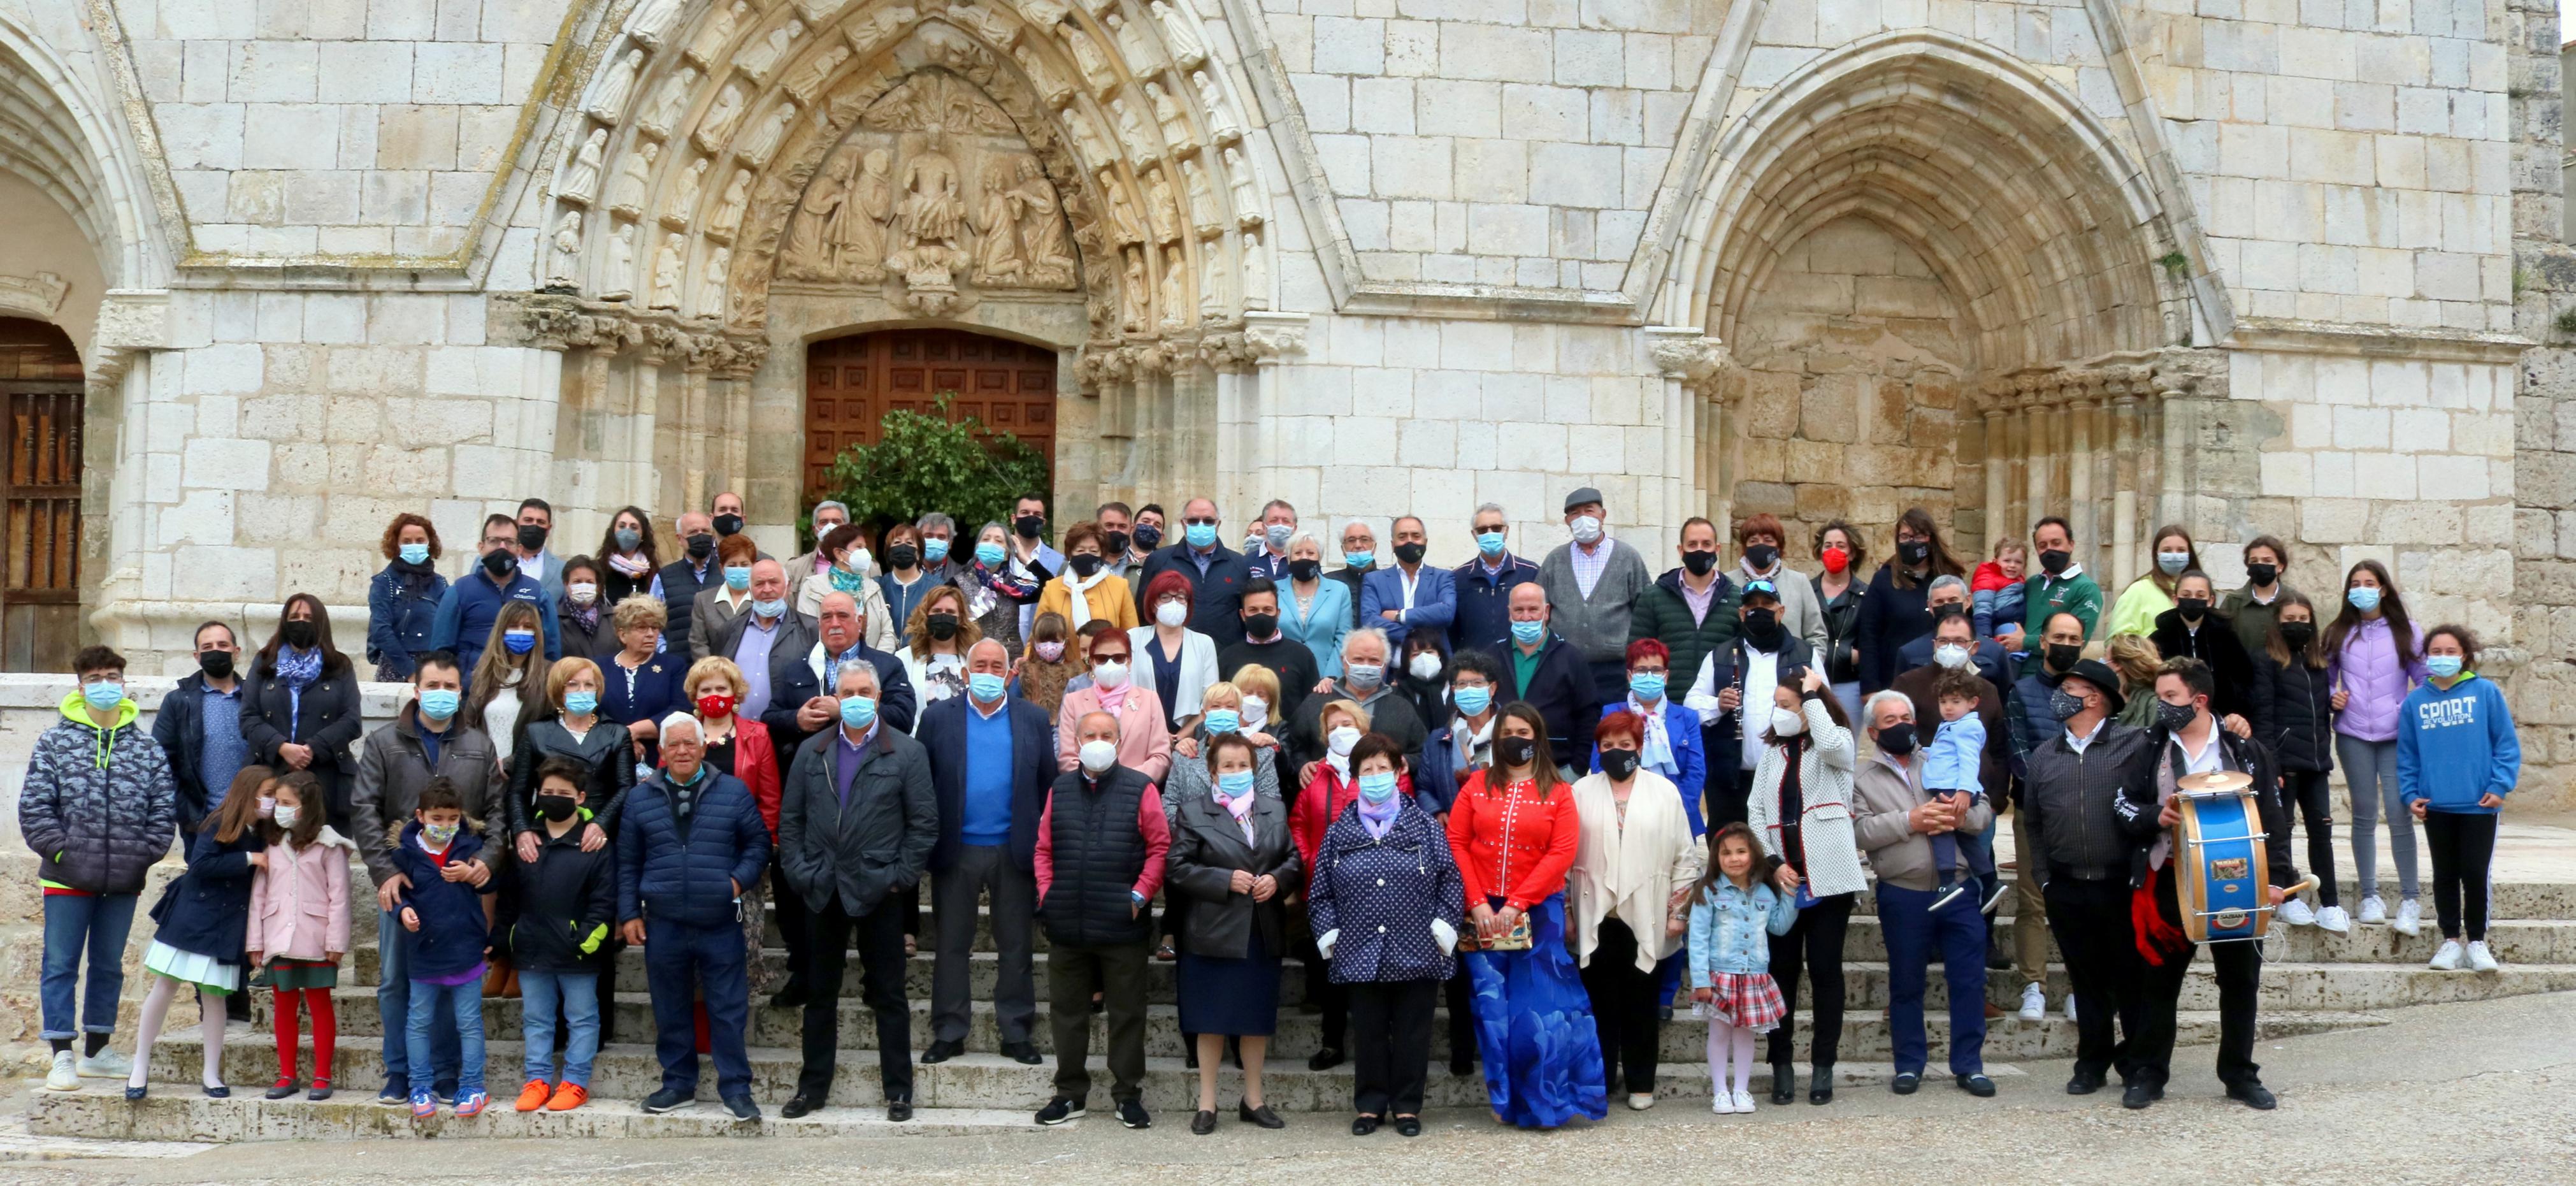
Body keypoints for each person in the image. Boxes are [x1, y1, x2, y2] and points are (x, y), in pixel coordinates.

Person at [2115, 657, 2299, 1110]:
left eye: (2170, 697)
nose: (2161, 705)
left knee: (2240, 981)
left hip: (2237, 879)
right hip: (2169, 878)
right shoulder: (2148, 746)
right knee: (2157, 981)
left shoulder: (2242, 748)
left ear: (2198, 699)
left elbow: (2274, 822)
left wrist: (2275, 880)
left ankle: (2239, 1074)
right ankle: (2147, 1073)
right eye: (2159, 697)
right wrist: (2152, 816)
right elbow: (2120, 803)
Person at [773, 661, 935, 1120]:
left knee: (889, 993)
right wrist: (802, 872)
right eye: (848, 691)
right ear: (835, 696)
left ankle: (898, 1090)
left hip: (880, 888)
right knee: (820, 993)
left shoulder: (906, 751)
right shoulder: (811, 750)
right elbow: (792, 820)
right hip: (823, 887)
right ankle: (812, 1088)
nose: (857, 697)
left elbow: (923, 824)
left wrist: (899, 877)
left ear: (879, 697)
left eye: (865, 690)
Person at [351, 651, 501, 1104]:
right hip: (406, 883)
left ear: (461, 691)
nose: (441, 694)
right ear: (416, 690)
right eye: (432, 686)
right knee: (398, 980)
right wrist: (385, 872)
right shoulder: (383, 742)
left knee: (454, 979)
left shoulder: (479, 744)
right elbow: (363, 809)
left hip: (458, 886)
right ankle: (400, 1071)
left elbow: (497, 811)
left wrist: (487, 861)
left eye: (449, 687)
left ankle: (447, 1073)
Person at [1446, 702, 1603, 1128]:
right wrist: (1477, 902)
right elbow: (1456, 841)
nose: (1515, 737)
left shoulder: (1558, 791)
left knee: (1541, 1013)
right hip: (1480, 911)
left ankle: (1546, 1101)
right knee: (1493, 1012)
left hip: (1538, 912)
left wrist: (1517, 902)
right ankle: (1505, 1100)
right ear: (1496, 739)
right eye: (1507, 731)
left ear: (1538, 736)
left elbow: (1561, 852)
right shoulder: (1475, 785)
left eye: (1523, 730)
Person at [1307, 732, 1464, 1138]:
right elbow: (1320, 892)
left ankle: (1408, 1107)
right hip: (1359, 949)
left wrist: (1442, 928)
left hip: (1418, 948)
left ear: (1397, 772)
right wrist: (1331, 936)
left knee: (1414, 1032)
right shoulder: (1339, 833)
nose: (1376, 776)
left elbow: (1450, 881)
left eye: (1383, 768)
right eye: (1367, 770)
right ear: (1356, 778)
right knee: (1370, 1033)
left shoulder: (1425, 827)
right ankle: (1371, 1105)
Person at [620, 712, 770, 1122]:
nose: (683, 751)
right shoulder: (640, 797)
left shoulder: (734, 792)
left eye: (691, 743)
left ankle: (737, 1089)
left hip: (720, 920)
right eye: (674, 745)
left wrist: (736, 884)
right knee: (670, 1008)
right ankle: (677, 1084)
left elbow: (757, 845)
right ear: (662, 752)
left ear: (704, 748)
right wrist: (630, 912)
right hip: (664, 922)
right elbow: (628, 861)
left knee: (728, 1009)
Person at [1849, 689, 1997, 1099]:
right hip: (1904, 893)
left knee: (1968, 981)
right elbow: (1860, 832)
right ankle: (1909, 1065)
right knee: (1906, 983)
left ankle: (1970, 1065)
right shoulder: (1859, 777)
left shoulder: (1942, 757)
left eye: (1906, 717)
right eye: (1891, 721)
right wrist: (1910, 820)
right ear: (1875, 733)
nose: (1902, 726)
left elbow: (1985, 811)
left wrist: (1959, 815)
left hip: (1961, 889)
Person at [915, 639, 1054, 1068]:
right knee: (951, 945)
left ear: (1009, 673)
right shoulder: (938, 718)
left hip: (1014, 848)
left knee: (1015, 946)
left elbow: (1047, 783)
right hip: (956, 850)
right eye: (981, 665)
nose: (989, 672)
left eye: (997, 665)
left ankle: (1015, 1031)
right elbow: (923, 782)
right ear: (965, 672)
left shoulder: (1032, 718)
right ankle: (949, 1029)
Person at [2021, 658, 2155, 1099]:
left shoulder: (2134, 744)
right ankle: (2090, 1063)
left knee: (2131, 981)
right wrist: (2043, 876)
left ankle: (2137, 1063)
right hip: (2065, 885)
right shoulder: (2044, 755)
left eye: (2069, 688)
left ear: (2094, 697)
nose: (2058, 696)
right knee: (2086, 981)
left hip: (2120, 884)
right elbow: (2033, 824)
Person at [1033, 711, 1173, 1130]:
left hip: (1120, 923)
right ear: (1075, 741)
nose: (1098, 740)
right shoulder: (1059, 788)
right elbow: (1043, 849)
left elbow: (1159, 847)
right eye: (1090, 734)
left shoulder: (1140, 787)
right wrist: (1048, 893)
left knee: (1127, 1012)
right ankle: (1069, 1093)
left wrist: (1138, 895)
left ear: (1118, 739)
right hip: (1067, 923)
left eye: (1106, 734)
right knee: (1067, 1011)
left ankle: (1127, 1094)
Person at [1167, 730, 1300, 1132]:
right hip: (1212, 931)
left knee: (1255, 1020)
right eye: (1228, 765)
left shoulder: (1274, 809)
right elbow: (1177, 867)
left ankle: (1253, 1100)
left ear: (1254, 769)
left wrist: (1278, 879)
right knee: (1209, 1020)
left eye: (1243, 765)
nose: (1237, 771)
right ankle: (1207, 1104)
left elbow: (1294, 858)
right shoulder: (1193, 811)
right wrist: (1224, 880)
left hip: (1261, 929)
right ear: (1213, 771)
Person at [1569, 711, 1704, 1111]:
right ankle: (1601, 1081)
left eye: (1624, 745)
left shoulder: (1664, 792)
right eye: (1607, 745)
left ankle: (1642, 1082)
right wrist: (1569, 915)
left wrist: (1679, 912)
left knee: (1642, 1005)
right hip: (1596, 913)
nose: (1616, 752)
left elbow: (1684, 857)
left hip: (1649, 912)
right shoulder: (1579, 791)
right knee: (1600, 1005)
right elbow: (1563, 856)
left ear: (1640, 747)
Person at [1741, 665, 1864, 1101]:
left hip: (1829, 879)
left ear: (1810, 708)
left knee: (1826, 970)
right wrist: (1771, 862)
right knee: (1782, 973)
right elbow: (1755, 809)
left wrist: (1813, 697)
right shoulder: (1773, 754)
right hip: (1783, 881)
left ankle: (1823, 1065)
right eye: (1776, 706)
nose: (1779, 712)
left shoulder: (1835, 743)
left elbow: (1835, 747)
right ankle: (1781, 1064)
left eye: (1787, 705)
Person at [119, 765, 269, 1101]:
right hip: (193, 915)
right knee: (166, 986)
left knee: (215, 996)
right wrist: (249, 858)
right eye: (268, 795)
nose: (272, 802)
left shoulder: (263, 830)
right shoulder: (219, 821)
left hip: (229, 923)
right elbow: (200, 864)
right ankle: (139, 1066)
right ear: (249, 793)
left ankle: (211, 1073)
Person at [2399, 625, 2521, 973]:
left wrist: (2500, 786)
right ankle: (2450, 940)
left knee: (2475, 871)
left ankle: (2478, 941)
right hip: (2437, 805)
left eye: (2451, 651)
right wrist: (2410, 794)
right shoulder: (2415, 702)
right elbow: (2407, 756)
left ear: (2464, 655)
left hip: (2479, 804)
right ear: (2426, 657)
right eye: (2436, 651)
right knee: (2445, 874)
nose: (2443, 658)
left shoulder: (2485, 692)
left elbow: (2506, 744)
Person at [504, 756, 615, 1113]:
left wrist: (584, 939)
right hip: (532, 949)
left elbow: (604, 900)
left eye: (562, 793)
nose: (553, 797)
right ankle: (536, 1080)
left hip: (577, 953)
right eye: (547, 792)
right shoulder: (526, 841)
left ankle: (575, 1082)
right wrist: (507, 937)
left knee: (582, 1018)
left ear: (580, 797)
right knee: (536, 1018)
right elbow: (509, 896)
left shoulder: (594, 842)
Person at [1999, 609, 2092, 1022]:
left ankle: (2078, 986)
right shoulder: (2020, 691)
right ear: (2043, 641)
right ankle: (2033, 985)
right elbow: (2018, 750)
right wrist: (2049, 789)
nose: (2066, 644)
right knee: (2032, 900)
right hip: (2033, 810)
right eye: (2059, 636)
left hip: (2085, 812)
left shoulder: (2092, 695)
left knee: (2078, 900)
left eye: (2074, 638)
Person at [2326, 558, 2428, 935]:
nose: (2362, 588)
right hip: (2353, 733)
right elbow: (2325, 677)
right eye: (2355, 583)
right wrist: (2332, 701)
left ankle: (2410, 899)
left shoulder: (2408, 631)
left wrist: (2406, 709)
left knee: (2401, 815)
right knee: (2364, 814)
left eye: (2369, 582)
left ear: (2383, 588)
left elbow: (2426, 678)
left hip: (2397, 736)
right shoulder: (2339, 631)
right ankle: (2370, 895)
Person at [389, 777, 499, 1118]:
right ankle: (421, 1086)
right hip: (424, 953)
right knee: (418, 1022)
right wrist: (401, 912)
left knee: (468, 1023)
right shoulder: (405, 853)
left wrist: (473, 874)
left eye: (452, 819)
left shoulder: (471, 847)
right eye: (437, 819)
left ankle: (473, 1085)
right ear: (421, 816)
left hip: (465, 950)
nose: (445, 826)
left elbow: (493, 883)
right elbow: (397, 895)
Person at [247, 770, 356, 1101]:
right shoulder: (273, 845)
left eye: (286, 803)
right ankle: (287, 1075)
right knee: (283, 1005)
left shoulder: (330, 846)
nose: (278, 808)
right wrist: (256, 941)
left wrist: (336, 942)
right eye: (277, 802)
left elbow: (340, 896)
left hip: (317, 939)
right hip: (278, 936)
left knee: (320, 1003)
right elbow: (260, 895)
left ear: (306, 807)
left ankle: (323, 1076)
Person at [1287, 698, 1382, 1073]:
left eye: (1348, 723)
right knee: (1328, 968)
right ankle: (1332, 1042)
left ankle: (1374, 1040)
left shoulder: (1382, 770)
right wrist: (1310, 859)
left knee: (1370, 968)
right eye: (1333, 726)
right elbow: (1298, 821)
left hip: (1371, 887)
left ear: (1362, 727)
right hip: (1323, 887)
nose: (1341, 731)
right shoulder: (1316, 774)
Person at [2245, 591, 2348, 931]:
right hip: (2284, 763)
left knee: (2322, 831)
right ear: (2278, 623)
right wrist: (2270, 766)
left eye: (2303, 620)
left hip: (2317, 763)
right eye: (2290, 620)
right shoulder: (2266, 661)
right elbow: (2265, 717)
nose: (2297, 625)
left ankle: (2330, 903)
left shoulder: (2318, 665)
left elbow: (2317, 712)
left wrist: (2335, 705)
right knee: (2282, 832)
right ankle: (2288, 898)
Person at [1685, 822, 1795, 1115]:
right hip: (1719, 975)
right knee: (1719, 1034)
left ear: (1753, 855)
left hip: (1753, 976)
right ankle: (1720, 1091)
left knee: (1746, 1034)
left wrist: (1791, 896)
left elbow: (1779, 927)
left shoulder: (1765, 893)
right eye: (1726, 853)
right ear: (1716, 858)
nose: (1734, 859)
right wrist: (1700, 979)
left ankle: (1742, 1090)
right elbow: (1697, 938)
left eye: (1741, 852)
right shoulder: (1708, 892)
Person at [1690, 579, 1815, 826]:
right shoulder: (1719, 655)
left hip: (1789, 774)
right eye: (1752, 607)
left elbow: (1824, 708)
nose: (1759, 611)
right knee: (1731, 847)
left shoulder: (1806, 655)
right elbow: (1691, 704)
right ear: (1742, 614)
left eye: (1767, 606)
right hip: (1731, 778)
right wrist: (1718, 704)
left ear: (1781, 611)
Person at [242, 595, 364, 828]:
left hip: (326, 776)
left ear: (320, 622)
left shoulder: (340, 665)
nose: (301, 622)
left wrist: (312, 748)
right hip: (272, 772)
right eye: (295, 617)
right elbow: (248, 717)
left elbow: (351, 720)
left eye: (308, 617)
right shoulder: (265, 662)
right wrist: (281, 746)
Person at [765, 589, 916, 765]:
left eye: (842, 616)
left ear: (859, 621)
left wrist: (845, 710)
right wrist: (797, 720)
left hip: (874, 768)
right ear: (819, 624)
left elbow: (904, 720)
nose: (835, 623)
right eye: (827, 617)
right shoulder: (797, 668)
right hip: (813, 770)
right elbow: (769, 719)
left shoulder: (888, 666)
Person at [1538, 486, 1653, 698]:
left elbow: (1645, 610)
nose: (1583, 518)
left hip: (1615, 670)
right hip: (1564, 666)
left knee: (1613, 727)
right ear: (1567, 521)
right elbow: (1539, 611)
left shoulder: (1628, 557)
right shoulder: (1555, 560)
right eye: (1575, 513)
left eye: (1589, 510)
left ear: (1603, 515)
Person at [1627, 517, 1739, 732]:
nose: (1700, 550)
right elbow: (1635, 654)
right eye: (1692, 545)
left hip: (1719, 712)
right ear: (1681, 550)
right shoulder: (1654, 597)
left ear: (1718, 549)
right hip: (1665, 712)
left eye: (1706, 544)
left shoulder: (1736, 598)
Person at [1481, 582, 1600, 775]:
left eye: (1533, 610)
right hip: (1502, 770)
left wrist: (1577, 768)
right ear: (1509, 613)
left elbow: (1589, 715)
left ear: (1546, 612)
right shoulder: (1492, 656)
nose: (1526, 617)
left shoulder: (1571, 657)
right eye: (1519, 610)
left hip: (1557, 769)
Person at [1597, 639, 1708, 834]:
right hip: (1621, 816)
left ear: (1666, 676)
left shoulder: (1687, 718)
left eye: (1656, 670)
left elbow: (1696, 772)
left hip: (1676, 815)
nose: (1649, 676)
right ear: (1630, 676)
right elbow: (1599, 765)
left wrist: (1677, 811)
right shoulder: (1611, 713)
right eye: (1641, 670)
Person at [431, 517, 561, 681]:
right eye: (494, 541)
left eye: (509, 542)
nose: (502, 548)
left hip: (523, 693)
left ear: (519, 549)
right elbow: (441, 651)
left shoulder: (538, 594)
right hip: (472, 693)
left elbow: (551, 653)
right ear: (481, 547)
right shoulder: (459, 592)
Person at [1853, 507, 1966, 693]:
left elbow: (1967, 625)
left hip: (1946, 680)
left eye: (1918, 536)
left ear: (1931, 538)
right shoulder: (1884, 580)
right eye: (1905, 537)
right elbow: (1868, 636)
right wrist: (1870, 688)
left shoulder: (1950, 578)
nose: (1911, 542)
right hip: (1896, 680)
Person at [1292, 627, 1428, 774]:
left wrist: (1407, 761)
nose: (1366, 665)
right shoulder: (1317, 701)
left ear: (1384, 667)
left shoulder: (1401, 707)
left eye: (1374, 660)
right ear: (1343, 662)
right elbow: (1293, 744)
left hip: (1383, 792)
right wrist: (1303, 765)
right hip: (1328, 792)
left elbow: (1424, 751)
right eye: (1358, 659)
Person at [155, 621, 250, 831]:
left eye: (223, 645)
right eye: (207, 647)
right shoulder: (178, 701)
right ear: (197, 656)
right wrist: (184, 808)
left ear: (236, 652)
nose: (216, 650)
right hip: (201, 821)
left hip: (250, 820)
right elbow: (161, 760)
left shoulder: (255, 699)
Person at [1918, 667, 1994, 913]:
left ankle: (1947, 883)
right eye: (1943, 701)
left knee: (1939, 829)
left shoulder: (1966, 727)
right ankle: (1990, 880)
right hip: (1950, 783)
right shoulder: (1953, 724)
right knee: (1965, 837)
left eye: (1956, 701)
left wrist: (1963, 791)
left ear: (1973, 703)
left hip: (1953, 787)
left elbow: (1970, 760)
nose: (1948, 707)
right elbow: (1945, 753)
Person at [1056, 625, 1172, 783]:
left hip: (1136, 794)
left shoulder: (1150, 700)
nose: (1110, 664)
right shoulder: (1073, 701)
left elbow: (1160, 756)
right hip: (1087, 794)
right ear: (1092, 662)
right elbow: (1067, 758)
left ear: (1129, 661)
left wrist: (1126, 783)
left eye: (1118, 658)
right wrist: (1094, 783)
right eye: (1102, 659)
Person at [2147, 570, 2257, 728]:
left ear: (2211, 600)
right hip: (2171, 721)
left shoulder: (2226, 637)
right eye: (2186, 594)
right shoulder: (2159, 639)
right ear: (2176, 599)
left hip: (2220, 721)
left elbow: (2245, 678)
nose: (2193, 600)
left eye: (2200, 595)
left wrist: (2237, 712)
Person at [1139, 497, 1253, 648]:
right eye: (1193, 521)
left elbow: (1247, 613)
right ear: (1183, 524)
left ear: (1218, 524)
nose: (1201, 525)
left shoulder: (1239, 564)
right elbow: (1143, 609)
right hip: (1171, 654)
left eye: (1208, 521)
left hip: (1226, 656)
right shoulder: (1159, 561)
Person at [1218, 577, 1320, 727]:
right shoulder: (1228, 658)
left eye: (1267, 610)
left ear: (1278, 613)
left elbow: (1311, 709)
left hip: (1288, 745)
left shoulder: (1301, 655)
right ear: (1243, 615)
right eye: (1253, 610)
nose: (1261, 615)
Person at [1133, 570, 1222, 734]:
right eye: (1165, 598)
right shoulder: (1133, 638)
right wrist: (1158, 737)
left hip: (1190, 741)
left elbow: (1211, 701)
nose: (1173, 603)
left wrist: (1179, 738)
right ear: (1153, 605)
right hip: (1141, 736)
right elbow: (1127, 696)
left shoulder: (1204, 643)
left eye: (1181, 598)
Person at [368, 512, 450, 681]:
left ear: (429, 543)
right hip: (396, 667)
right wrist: (410, 671)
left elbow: (448, 627)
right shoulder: (384, 582)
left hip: (434, 667)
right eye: (406, 541)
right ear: (396, 545)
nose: (414, 545)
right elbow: (381, 631)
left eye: (420, 541)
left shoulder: (440, 583)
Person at [600, 596, 686, 756]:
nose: (650, 634)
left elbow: (680, 710)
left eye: (655, 628)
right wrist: (623, 738)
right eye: (641, 628)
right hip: (608, 753)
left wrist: (635, 731)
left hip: (659, 754)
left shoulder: (673, 666)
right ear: (622, 634)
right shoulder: (600, 667)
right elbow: (593, 713)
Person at [464, 600, 547, 765]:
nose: (521, 632)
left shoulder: (549, 675)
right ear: (501, 631)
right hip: (486, 771)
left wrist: (510, 764)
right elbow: (469, 726)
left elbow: (550, 733)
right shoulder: (484, 675)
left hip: (527, 773)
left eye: (528, 627)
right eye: (514, 626)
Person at [1359, 515, 1457, 654]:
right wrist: (1414, 637)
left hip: (1436, 668)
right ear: (1393, 545)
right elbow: (1370, 621)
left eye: (1416, 536)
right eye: (1402, 536)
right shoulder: (1375, 580)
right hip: (1391, 670)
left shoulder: (1442, 577)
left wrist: (1400, 616)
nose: (1409, 541)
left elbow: (1446, 613)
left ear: (1425, 542)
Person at [1452, 502, 1540, 656]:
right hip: (1475, 667)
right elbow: (1453, 630)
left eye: (1496, 528)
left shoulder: (1530, 572)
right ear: (1474, 535)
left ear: (1506, 531)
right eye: (1483, 530)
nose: (1490, 533)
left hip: (1518, 661)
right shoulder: (1459, 577)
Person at [1032, 520, 1140, 645]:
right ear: (1070, 554)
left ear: (1102, 554)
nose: (1087, 555)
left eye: (1094, 551)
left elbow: (1132, 635)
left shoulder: (1120, 586)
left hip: (1107, 662)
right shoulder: (1053, 588)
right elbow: (1037, 635)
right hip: (1065, 664)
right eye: (1080, 550)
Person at [796, 522, 897, 651]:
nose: (865, 553)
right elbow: (808, 633)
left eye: (865, 547)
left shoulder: (872, 587)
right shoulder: (813, 587)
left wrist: (877, 662)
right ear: (839, 553)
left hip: (871, 667)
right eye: (859, 547)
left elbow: (887, 632)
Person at [2009, 516, 2104, 651]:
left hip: (2052, 672)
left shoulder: (2086, 589)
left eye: (2056, 543)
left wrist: (2026, 642)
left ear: (2071, 545)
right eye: (2043, 546)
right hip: (2015, 668)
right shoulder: (2032, 584)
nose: (2049, 550)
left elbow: (2074, 643)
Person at [1734, 514, 1825, 653]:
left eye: (1768, 540)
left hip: (1791, 670)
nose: (1761, 545)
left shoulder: (1799, 582)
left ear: (1779, 546)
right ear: (1745, 546)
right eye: (1753, 541)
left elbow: (1816, 635)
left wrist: (1807, 667)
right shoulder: (1730, 582)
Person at [1892, 579, 2009, 683]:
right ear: (1930, 606)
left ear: (1968, 601)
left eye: (1953, 600)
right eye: (1939, 602)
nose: (1947, 606)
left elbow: (2003, 701)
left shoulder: (1995, 652)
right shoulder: (1910, 653)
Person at [954, 521, 1039, 656]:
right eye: (986, 539)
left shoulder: (1014, 586)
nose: (991, 543)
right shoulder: (958, 582)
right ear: (978, 548)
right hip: (972, 660)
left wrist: (1027, 560)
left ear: (1007, 553)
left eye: (999, 541)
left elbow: (1050, 586)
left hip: (1010, 664)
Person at [2106, 524, 2203, 640]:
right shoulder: (2138, 590)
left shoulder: (2200, 591)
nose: (2174, 556)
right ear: (2157, 554)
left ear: (2189, 554)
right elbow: (2118, 638)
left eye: (2181, 550)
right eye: (2167, 550)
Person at [1279, 532, 1352, 679]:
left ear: (1319, 557)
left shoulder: (1339, 591)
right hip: (1283, 674)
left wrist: (1331, 677)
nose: (1304, 557)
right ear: (1288, 559)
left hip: (1325, 676)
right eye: (1298, 553)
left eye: (1311, 553)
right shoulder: (1274, 590)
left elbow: (1344, 638)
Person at [1813, 520, 1866, 721]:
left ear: (1852, 553)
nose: (1833, 551)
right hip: (1813, 681)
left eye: (1841, 546)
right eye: (1828, 546)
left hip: (1849, 684)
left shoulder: (1865, 595)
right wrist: (1845, 654)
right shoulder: (1807, 591)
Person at [2220, 534, 2299, 658]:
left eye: (2267, 561)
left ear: (2280, 566)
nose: (2260, 565)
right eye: (2254, 561)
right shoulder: (2234, 601)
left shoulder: (2294, 600)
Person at [687, 535, 759, 662]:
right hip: (715, 674)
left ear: (753, 566)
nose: (738, 569)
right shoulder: (704, 600)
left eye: (744, 565)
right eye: (732, 565)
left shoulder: (761, 599)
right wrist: (714, 669)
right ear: (722, 569)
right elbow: (698, 643)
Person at [660, 510, 721, 646]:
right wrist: (665, 653)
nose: (700, 536)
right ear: (679, 539)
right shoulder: (665, 577)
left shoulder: (726, 574)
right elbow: (652, 621)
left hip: (720, 663)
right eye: (693, 532)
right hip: (678, 662)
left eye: (705, 531)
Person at [877, 522, 942, 642]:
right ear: (889, 553)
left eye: (909, 543)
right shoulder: (877, 586)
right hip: (884, 657)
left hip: (920, 656)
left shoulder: (937, 587)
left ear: (918, 553)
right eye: (897, 542)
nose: (903, 547)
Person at [594, 505, 665, 605]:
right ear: (613, 531)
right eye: (622, 526)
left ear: (643, 535)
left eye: (634, 527)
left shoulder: (653, 572)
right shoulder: (599, 569)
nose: (627, 532)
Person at [1016, 611, 1083, 717]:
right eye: (1043, 641)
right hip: (1034, 728)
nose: (1048, 646)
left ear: (1064, 642)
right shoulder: (1025, 671)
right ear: (1034, 642)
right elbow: (1015, 704)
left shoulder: (1075, 673)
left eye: (1055, 641)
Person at [555, 556, 621, 663]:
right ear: (566, 585)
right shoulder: (554, 618)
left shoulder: (614, 618)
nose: (584, 586)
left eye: (590, 582)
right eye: (577, 582)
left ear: (598, 586)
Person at [510, 497, 569, 605]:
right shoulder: (487, 562)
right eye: (528, 520)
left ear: (548, 529)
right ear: (516, 524)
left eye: (541, 522)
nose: (534, 525)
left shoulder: (562, 569)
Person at [783, 499, 852, 590]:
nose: (830, 527)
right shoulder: (794, 567)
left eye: (836, 522)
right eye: (824, 522)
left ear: (847, 528)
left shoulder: (868, 567)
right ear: (815, 529)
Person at [1970, 537, 2027, 643]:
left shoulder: (2020, 581)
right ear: (1995, 561)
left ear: (2025, 566)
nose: (2012, 565)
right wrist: (1984, 636)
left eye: (2018, 562)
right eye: (2007, 561)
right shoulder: (1987, 579)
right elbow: (1983, 608)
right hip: (1999, 626)